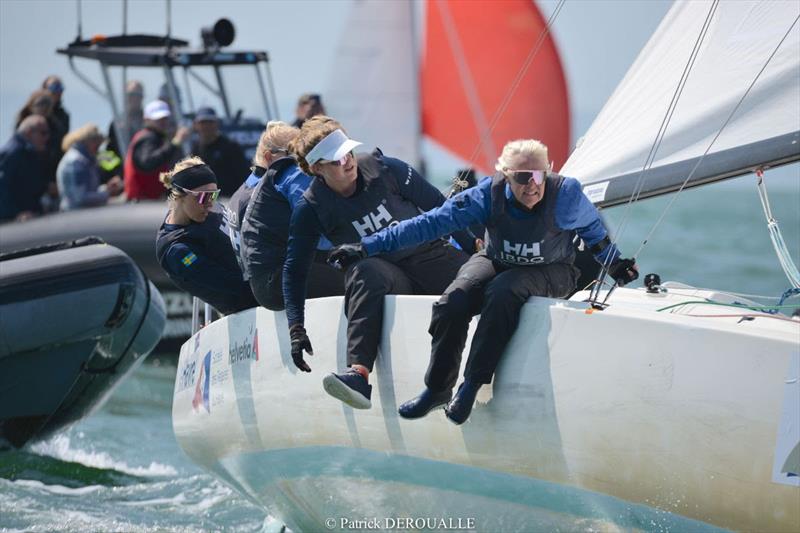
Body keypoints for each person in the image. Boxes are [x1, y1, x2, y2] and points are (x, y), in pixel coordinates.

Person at [329, 139, 639, 424]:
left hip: (554, 269)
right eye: (521, 177)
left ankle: (471, 385)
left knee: (503, 291)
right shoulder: (486, 195)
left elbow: (595, 237)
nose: (532, 185)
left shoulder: (567, 195)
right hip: (496, 259)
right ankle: (437, 389)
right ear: (505, 175)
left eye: (539, 176)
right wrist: (365, 247)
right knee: (455, 299)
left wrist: (616, 265)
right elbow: (429, 224)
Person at [284, 115, 469, 409]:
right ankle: (358, 375)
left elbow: (444, 209)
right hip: (389, 277)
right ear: (317, 168)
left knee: (483, 279)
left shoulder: (387, 169)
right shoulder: (311, 208)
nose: (347, 162)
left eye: (349, 153)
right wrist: (296, 329)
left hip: (430, 257)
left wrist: (477, 249)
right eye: (336, 160)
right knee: (362, 270)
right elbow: (294, 269)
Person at [240, 121, 344, 310]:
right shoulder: (292, 172)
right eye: (295, 151)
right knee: (362, 277)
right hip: (278, 280)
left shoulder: (250, 188)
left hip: (265, 283)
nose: (301, 156)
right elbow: (320, 234)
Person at [155, 156, 256, 315]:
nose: (210, 203)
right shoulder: (178, 251)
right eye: (203, 197)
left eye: (214, 195)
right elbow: (228, 284)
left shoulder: (203, 208)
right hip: (250, 307)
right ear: (180, 195)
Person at [124, 100, 189, 200]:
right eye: (157, 119)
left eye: (164, 118)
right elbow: (148, 163)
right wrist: (175, 143)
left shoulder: (153, 137)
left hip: (147, 201)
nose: (162, 122)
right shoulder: (148, 138)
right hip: (142, 203)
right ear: (146, 120)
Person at [56, 124, 123, 210]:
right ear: (87, 141)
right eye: (96, 141)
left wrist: (106, 188)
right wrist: (107, 193)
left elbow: (86, 191)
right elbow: (80, 198)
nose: (98, 148)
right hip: (75, 217)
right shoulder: (76, 162)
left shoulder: (83, 160)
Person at [190, 106, 250, 196]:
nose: (206, 126)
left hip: (229, 199)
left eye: (210, 122)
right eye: (202, 122)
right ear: (195, 125)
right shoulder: (195, 149)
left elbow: (244, 176)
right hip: (206, 201)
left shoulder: (231, 147)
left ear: (217, 124)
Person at [0, 115, 50, 222]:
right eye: (43, 133)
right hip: (12, 222)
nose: (46, 138)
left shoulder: (30, 153)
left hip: (29, 218)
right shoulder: (12, 153)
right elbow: (2, 188)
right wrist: (14, 214)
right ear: (28, 132)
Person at [107, 80, 145, 158]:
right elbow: (109, 150)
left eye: (138, 95)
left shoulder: (149, 121)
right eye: (131, 95)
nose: (134, 98)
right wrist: (118, 168)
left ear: (142, 98)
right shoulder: (117, 123)